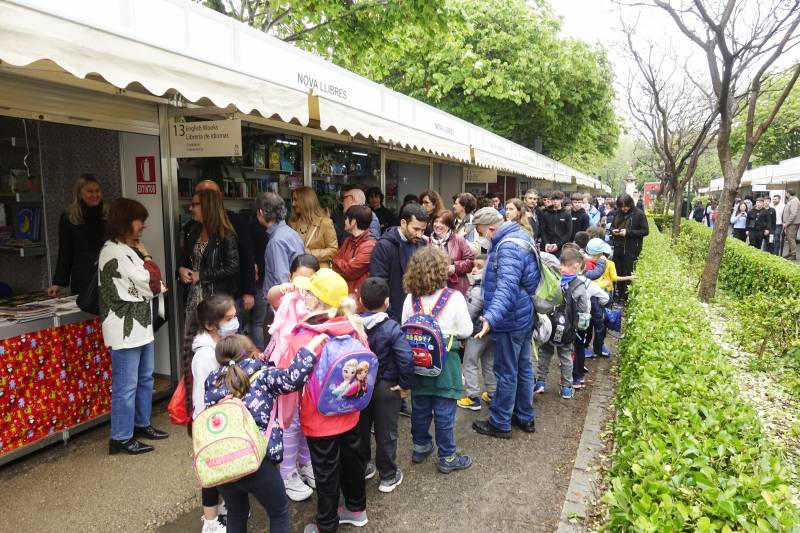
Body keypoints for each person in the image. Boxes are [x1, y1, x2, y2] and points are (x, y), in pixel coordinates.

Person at [205, 334, 321, 533]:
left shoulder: (212, 381)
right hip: (258, 462)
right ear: (252, 353)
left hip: (224, 464)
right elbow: (294, 378)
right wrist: (309, 349)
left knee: (236, 514)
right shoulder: (264, 374)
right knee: (278, 512)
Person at [293, 270, 370, 533]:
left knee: (326, 471)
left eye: (308, 292)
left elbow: (291, 375)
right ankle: (356, 509)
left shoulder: (305, 336)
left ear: (315, 301)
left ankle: (326, 524)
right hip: (351, 411)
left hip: (320, 418)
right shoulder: (355, 327)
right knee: (352, 462)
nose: (303, 296)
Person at [100, 198, 168, 455]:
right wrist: (148, 256)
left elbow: (150, 282)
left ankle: (140, 424)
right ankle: (120, 436)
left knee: (144, 379)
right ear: (127, 222)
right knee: (126, 385)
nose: (144, 226)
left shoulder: (126, 248)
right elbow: (150, 281)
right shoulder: (112, 251)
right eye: (140, 221)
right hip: (125, 329)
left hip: (140, 325)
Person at [471, 207, 540, 439]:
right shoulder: (520, 235)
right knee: (523, 367)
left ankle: (500, 422)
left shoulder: (507, 247)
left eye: (482, 233)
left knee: (506, 371)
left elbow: (506, 289)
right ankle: (524, 416)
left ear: (492, 228)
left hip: (511, 318)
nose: (482, 238)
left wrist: (490, 318)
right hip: (523, 314)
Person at [402, 248, 473, 473]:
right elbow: (465, 330)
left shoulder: (409, 299)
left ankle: (421, 446)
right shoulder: (454, 298)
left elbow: (405, 326)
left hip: (418, 363)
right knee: (444, 411)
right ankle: (448, 456)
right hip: (446, 365)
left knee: (420, 407)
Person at [265, 254, 320, 502]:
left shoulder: (317, 302)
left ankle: (306, 463)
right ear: (290, 277)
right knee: (289, 421)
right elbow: (271, 296)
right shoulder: (286, 299)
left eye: (310, 279)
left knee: (307, 417)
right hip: (286, 373)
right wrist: (283, 288)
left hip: (310, 370)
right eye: (299, 278)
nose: (304, 284)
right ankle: (287, 472)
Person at [181, 294, 237, 533]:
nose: (235, 323)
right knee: (211, 473)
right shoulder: (205, 355)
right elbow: (207, 396)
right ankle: (210, 522)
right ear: (210, 325)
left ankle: (222, 508)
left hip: (219, 419)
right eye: (229, 319)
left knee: (221, 468)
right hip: (210, 421)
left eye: (235, 317)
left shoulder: (218, 345)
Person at [357, 277, 414, 493]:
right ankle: (388, 476)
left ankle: (362, 468)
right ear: (388, 302)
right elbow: (405, 358)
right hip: (386, 386)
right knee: (386, 431)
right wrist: (405, 384)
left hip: (360, 387)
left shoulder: (353, 325)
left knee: (361, 429)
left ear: (361, 300)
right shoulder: (392, 327)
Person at [193, 180, 257, 328]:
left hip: (228, 293)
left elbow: (247, 256)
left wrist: (249, 291)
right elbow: (192, 259)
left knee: (228, 340)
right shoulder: (194, 228)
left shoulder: (235, 221)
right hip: (199, 295)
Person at [535, 248, 590, 399]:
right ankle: (566, 387)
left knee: (545, 352)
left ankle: (540, 381)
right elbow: (583, 309)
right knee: (566, 356)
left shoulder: (553, 277)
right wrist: (580, 327)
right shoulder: (579, 285)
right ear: (577, 265)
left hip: (549, 325)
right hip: (567, 329)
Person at [178, 189, 240, 317]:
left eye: (194, 204)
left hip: (216, 301)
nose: (190, 208)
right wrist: (180, 269)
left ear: (207, 206)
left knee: (213, 336)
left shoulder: (226, 235)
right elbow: (185, 258)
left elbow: (232, 267)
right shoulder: (192, 230)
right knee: (193, 336)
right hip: (192, 299)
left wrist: (202, 275)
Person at [49, 174, 108, 298]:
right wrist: (58, 283)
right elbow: (65, 252)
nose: (95, 195)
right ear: (80, 194)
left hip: (108, 274)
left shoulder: (108, 213)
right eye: (90, 191)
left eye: (97, 191)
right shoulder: (69, 217)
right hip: (83, 277)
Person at [369, 203, 429, 321]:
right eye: (416, 229)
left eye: (423, 230)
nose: (420, 234)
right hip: (393, 314)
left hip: (417, 313)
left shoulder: (422, 243)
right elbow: (379, 283)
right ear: (403, 223)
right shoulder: (384, 246)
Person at [457, 256, 496, 411]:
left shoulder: (477, 289)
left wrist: (462, 334)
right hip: (490, 330)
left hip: (476, 332)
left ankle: (473, 397)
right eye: (474, 266)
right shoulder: (493, 285)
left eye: (479, 267)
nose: (474, 269)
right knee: (489, 362)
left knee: (470, 363)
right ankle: (492, 393)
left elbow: (469, 314)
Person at [255, 192, 305, 293]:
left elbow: (282, 282)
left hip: (281, 303)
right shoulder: (292, 233)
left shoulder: (276, 241)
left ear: (260, 212)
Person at [332, 205, 377, 307]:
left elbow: (350, 271)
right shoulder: (349, 240)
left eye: (346, 218)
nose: (344, 221)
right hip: (346, 297)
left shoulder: (370, 245)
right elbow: (334, 261)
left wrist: (339, 263)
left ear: (353, 222)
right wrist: (343, 263)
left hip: (359, 302)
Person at [610, 193, 649, 302]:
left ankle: (625, 297)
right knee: (617, 272)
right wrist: (613, 231)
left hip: (631, 249)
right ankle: (617, 295)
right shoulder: (618, 213)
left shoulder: (639, 214)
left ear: (630, 203)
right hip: (618, 247)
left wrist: (628, 233)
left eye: (626, 206)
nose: (624, 209)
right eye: (621, 207)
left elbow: (645, 231)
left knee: (627, 272)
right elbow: (613, 225)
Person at [289, 186, 338, 269]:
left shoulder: (325, 223)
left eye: (296, 200)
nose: (293, 204)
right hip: (298, 272)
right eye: (293, 200)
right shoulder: (292, 223)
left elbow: (333, 250)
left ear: (306, 201)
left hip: (319, 273)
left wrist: (311, 253)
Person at [429, 210, 475, 295]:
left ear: (449, 225)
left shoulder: (458, 239)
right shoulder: (428, 242)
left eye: (442, 223)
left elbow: (471, 262)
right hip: (434, 289)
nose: (438, 225)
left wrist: (455, 267)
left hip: (456, 289)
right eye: (436, 221)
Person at [540, 190, 573, 257]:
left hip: (561, 248)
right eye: (553, 199)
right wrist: (546, 243)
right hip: (547, 247)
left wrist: (558, 245)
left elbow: (568, 232)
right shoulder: (546, 214)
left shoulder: (567, 214)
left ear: (561, 200)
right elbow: (543, 230)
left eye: (557, 199)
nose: (555, 201)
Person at [783, 189, 800, 260]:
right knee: (790, 238)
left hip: (792, 223)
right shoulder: (792, 200)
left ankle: (793, 254)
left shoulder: (794, 201)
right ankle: (790, 253)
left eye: (786, 193)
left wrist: (787, 223)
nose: (785, 194)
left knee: (791, 239)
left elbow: (793, 214)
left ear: (788, 193)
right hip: (791, 223)